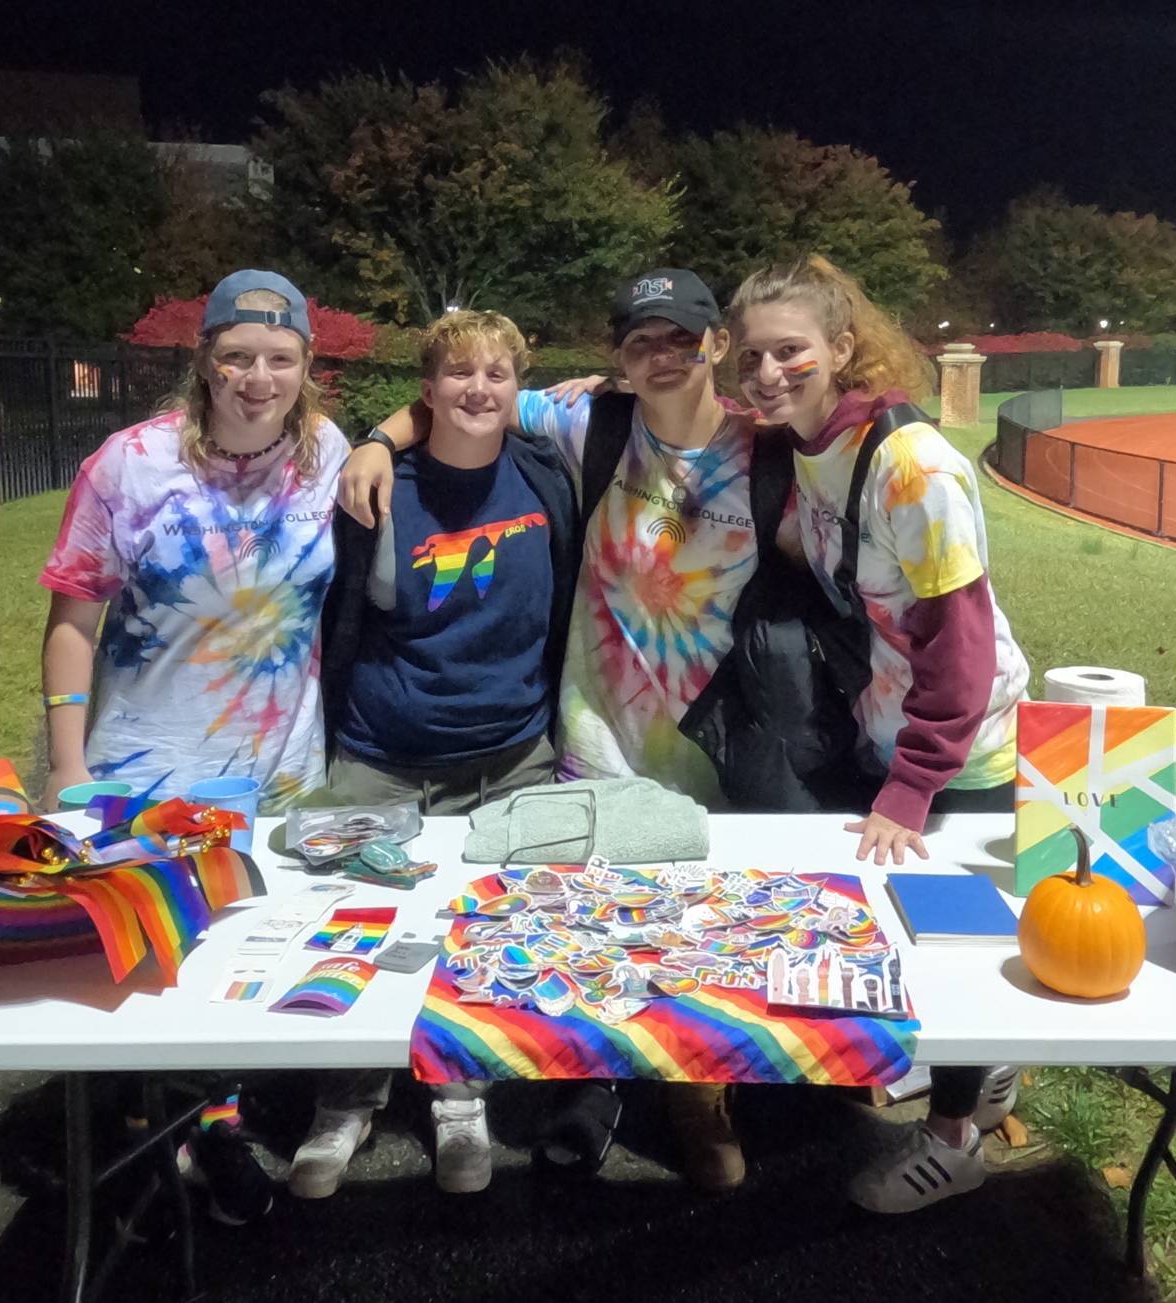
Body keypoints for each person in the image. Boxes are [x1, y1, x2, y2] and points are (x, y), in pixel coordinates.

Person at [338, 269, 762, 1193]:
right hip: (595, 723)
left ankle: (697, 1096)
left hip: (712, 730)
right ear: (618, 354)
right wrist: (377, 437)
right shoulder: (588, 423)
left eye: (679, 340)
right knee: (589, 917)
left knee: (697, 919)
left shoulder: (761, 447)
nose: (659, 356)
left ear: (715, 346)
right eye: (639, 341)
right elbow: (460, 401)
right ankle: (591, 1081)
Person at [728, 254, 1030, 1214]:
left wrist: (917, 778)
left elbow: (962, 637)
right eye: (753, 356)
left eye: (792, 351)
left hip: (962, 746)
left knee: (949, 951)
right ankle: (980, 1077)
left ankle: (954, 1140)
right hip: (887, 728)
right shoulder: (808, 442)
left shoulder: (914, 463)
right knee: (910, 934)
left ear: (842, 349)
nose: (769, 372)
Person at [292, 310, 579, 1198]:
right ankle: (347, 1096)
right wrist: (380, 439)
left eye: (498, 374)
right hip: (387, 750)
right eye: (459, 373)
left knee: (486, 930)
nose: (478, 389)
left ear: (518, 388)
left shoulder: (545, 475)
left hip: (512, 753)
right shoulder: (378, 486)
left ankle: (461, 1092)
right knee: (353, 928)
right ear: (428, 386)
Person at [38, 269, 348, 813]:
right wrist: (66, 766)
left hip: (284, 784)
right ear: (204, 358)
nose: (258, 379)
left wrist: (388, 439)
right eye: (237, 356)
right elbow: (73, 623)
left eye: (280, 359)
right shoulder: (129, 465)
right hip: (145, 778)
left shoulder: (324, 451)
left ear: (306, 364)